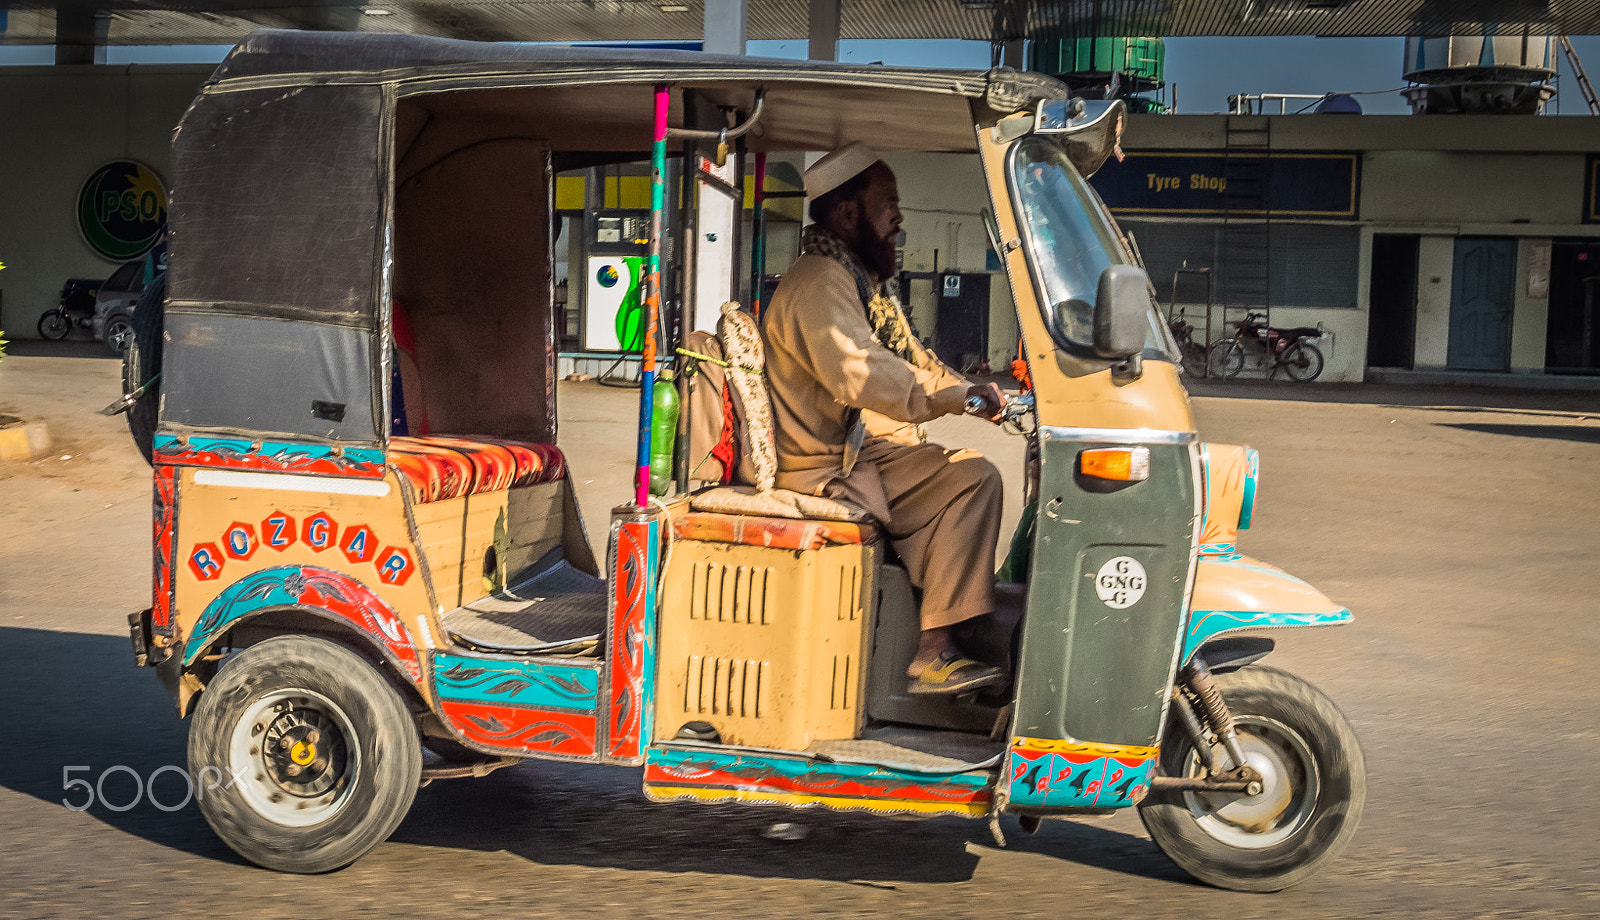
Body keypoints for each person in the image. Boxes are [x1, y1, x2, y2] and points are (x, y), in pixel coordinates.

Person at [761, 142, 1008, 696]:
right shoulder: (821, 282)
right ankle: (933, 651)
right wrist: (955, 400)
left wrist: (961, 390)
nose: (899, 218)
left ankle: (960, 622)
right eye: (888, 203)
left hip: (850, 449)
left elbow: (907, 358)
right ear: (848, 214)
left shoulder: (850, 278)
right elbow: (863, 372)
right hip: (824, 468)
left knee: (957, 469)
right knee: (973, 479)